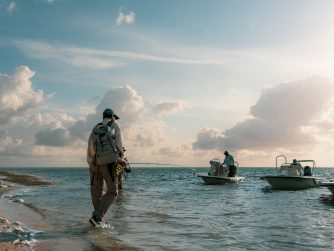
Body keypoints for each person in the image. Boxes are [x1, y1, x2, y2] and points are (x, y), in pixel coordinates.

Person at [87, 108, 125, 227]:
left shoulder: (96, 127)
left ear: (103, 116)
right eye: (114, 117)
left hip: (94, 163)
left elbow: (90, 146)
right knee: (113, 191)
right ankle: (97, 217)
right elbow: (119, 143)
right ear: (112, 116)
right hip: (109, 163)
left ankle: (96, 218)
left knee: (96, 192)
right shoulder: (115, 125)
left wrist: (91, 162)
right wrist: (121, 159)